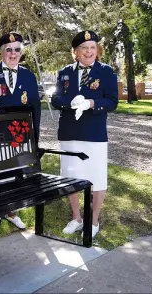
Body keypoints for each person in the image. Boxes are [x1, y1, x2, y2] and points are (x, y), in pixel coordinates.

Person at [51, 30, 118, 238]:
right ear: (76, 52)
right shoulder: (64, 72)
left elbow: (112, 101)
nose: (89, 51)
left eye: (92, 47)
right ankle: (77, 218)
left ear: (97, 50)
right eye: (84, 48)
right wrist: (68, 102)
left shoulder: (106, 72)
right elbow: (55, 98)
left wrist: (91, 103)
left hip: (94, 134)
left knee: (97, 178)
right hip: (70, 133)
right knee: (71, 178)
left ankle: (94, 220)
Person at [0, 32, 41, 230]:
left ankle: (12, 212)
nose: (13, 53)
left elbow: (35, 108)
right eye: (8, 50)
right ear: (2, 52)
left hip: (21, 135)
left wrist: (33, 138)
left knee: (16, 176)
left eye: (17, 49)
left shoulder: (28, 76)